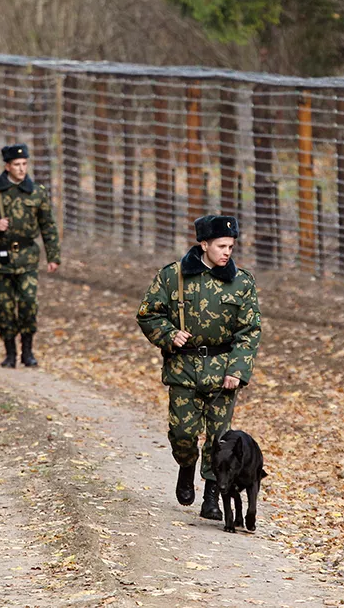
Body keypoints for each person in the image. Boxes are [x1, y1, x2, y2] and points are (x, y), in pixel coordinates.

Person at [136, 214, 261, 520]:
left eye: (231, 246)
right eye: (221, 246)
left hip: (222, 370)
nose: (227, 252)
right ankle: (186, 464)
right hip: (184, 367)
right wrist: (168, 335)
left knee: (219, 438)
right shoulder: (173, 276)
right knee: (182, 433)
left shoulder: (241, 282)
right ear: (204, 244)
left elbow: (250, 330)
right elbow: (148, 313)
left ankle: (212, 496)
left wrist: (238, 370)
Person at [0, 144, 60, 368]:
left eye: (25, 164)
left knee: (28, 303)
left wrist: (53, 256)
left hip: (27, 257)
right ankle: (9, 353)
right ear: (7, 166)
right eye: (17, 165)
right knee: (5, 306)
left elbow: (48, 226)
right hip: (0, 258)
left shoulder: (37, 192)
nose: (22, 169)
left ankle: (28, 351)